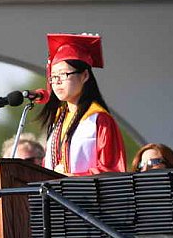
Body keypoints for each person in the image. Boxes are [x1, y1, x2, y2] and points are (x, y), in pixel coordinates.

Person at [39, 33, 126, 176]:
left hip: (86, 196)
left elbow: (112, 170)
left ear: (85, 76)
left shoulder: (99, 120)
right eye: (53, 77)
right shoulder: (57, 120)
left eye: (63, 74)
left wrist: (73, 179)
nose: (57, 81)